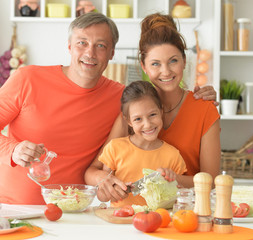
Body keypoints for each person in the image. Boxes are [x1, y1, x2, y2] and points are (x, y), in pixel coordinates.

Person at [0, 12, 217, 205]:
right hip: (17, 205)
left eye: (100, 45)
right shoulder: (27, 78)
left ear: (111, 53)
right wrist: (12, 150)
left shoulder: (121, 97)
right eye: (82, 43)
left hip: (76, 209)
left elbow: (152, 108)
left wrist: (202, 95)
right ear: (69, 46)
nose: (90, 52)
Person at [85, 13, 221, 203]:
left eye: (173, 61)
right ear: (144, 67)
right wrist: (105, 180)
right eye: (155, 64)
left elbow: (212, 181)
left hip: (184, 212)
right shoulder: (133, 112)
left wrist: (169, 180)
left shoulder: (205, 110)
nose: (166, 71)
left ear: (184, 60)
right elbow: (92, 171)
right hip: (134, 213)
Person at [96, 80, 187, 207]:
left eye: (152, 115)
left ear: (161, 111)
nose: (148, 124)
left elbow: (182, 194)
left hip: (159, 221)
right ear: (128, 121)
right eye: (138, 119)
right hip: (121, 219)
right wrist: (113, 191)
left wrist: (174, 179)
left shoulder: (173, 155)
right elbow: (102, 195)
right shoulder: (114, 148)